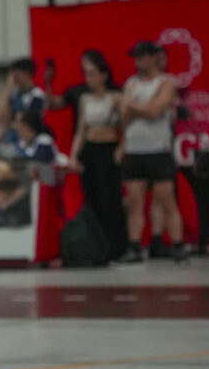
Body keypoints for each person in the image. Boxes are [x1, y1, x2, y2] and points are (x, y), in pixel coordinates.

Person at [117, 40, 187, 264]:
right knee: (135, 201)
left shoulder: (166, 82)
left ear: (153, 57)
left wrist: (133, 106)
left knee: (166, 200)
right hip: (135, 149)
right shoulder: (132, 83)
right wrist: (140, 109)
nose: (138, 61)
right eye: (136, 57)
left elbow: (156, 110)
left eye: (142, 56)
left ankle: (178, 244)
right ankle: (135, 246)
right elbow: (123, 115)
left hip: (157, 149)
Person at [67, 50, 127, 260]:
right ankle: (98, 246)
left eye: (92, 73)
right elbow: (81, 130)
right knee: (92, 198)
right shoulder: (84, 99)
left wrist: (122, 148)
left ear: (104, 75)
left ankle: (118, 246)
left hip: (108, 147)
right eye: (86, 74)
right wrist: (73, 156)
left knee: (110, 198)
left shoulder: (116, 97)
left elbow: (126, 126)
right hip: (90, 149)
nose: (88, 79)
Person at [0, 57, 46, 142]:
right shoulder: (14, 95)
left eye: (16, 74)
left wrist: (11, 123)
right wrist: (8, 89)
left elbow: (30, 123)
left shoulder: (37, 95)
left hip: (28, 140)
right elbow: (1, 116)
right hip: (12, 139)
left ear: (27, 73)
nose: (14, 78)